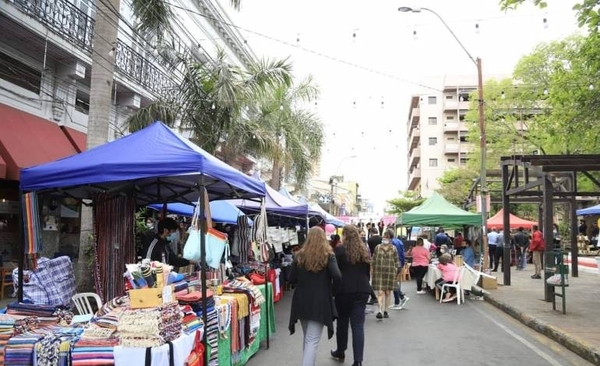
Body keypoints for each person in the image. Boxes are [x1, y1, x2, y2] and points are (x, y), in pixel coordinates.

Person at [289, 227, 342, 366]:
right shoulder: (328, 255)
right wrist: (332, 291)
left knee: (308, 338)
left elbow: (291, 278)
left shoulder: (299, 255)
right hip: (320, 301)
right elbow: (337, 276)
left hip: (301, 300)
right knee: (311, 340)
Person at [330, 225, 371, 366]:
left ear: (345, 235)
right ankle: (358, 360)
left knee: (342, 323)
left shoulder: (340, 250)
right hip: (362, 290)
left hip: (344, 291)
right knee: (358, 326)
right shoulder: (363, 250)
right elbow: (367, 273)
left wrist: (333, 291)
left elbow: (336, 273)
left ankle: (340, 351)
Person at [371, 230, 400, 319]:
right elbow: (373, 259)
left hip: (390, 273)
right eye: (384, 237)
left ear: (390, 239)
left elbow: (396, 261)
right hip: (379, 272)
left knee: (387, 292)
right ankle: (379, 311)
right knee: (380, 292)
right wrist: (372, 270)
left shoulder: (393, 248)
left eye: (387, 237)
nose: (384, 238)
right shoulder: (377, 247)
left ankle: (386, 310)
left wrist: (396, 272)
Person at [389, 230, 410, 310]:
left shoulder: (392, 243)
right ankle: (399, 299)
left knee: (394, 282)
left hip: (395, 263)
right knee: (395, 282)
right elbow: (402, 253)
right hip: (400, 263)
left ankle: (399, 300)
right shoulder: (399, 241)